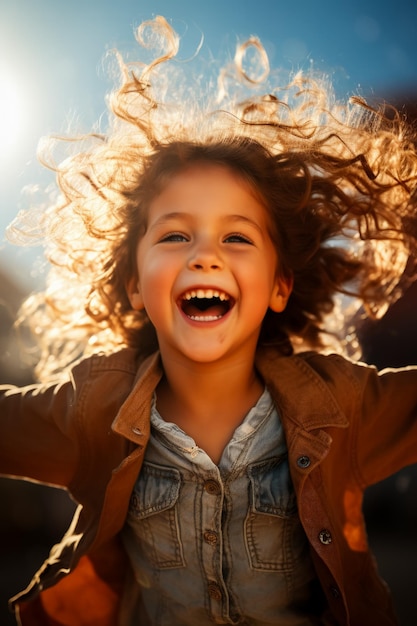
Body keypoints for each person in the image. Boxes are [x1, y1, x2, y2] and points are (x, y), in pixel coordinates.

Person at [1, 14, 417, 626]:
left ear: (279, 287)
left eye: (237, 237)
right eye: (174, 234)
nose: (205, 254)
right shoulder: (93, 412)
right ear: (135, 286)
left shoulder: (343, 407)